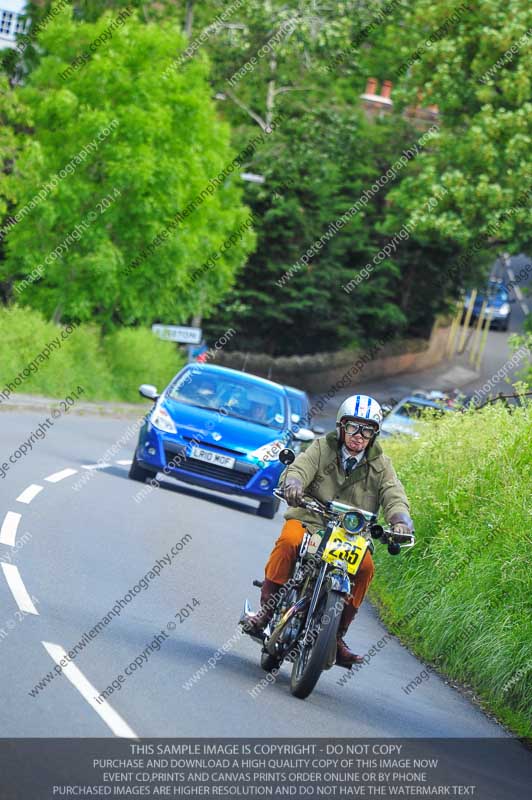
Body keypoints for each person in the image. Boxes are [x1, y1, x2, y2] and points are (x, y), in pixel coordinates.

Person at [242, 394, 413, 667]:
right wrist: (294, 484)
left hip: (350, 534)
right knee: (288, 541)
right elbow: (300, 467)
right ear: (341, 426)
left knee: (366, 568)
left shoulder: (381, 464)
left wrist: (401, 520)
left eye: (367, 429)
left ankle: (336, 635)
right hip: (312, 518)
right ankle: (267, 610)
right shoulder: (323, 447)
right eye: (353, 427)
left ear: (374, 434)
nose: (359, 435)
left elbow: (394, 493)